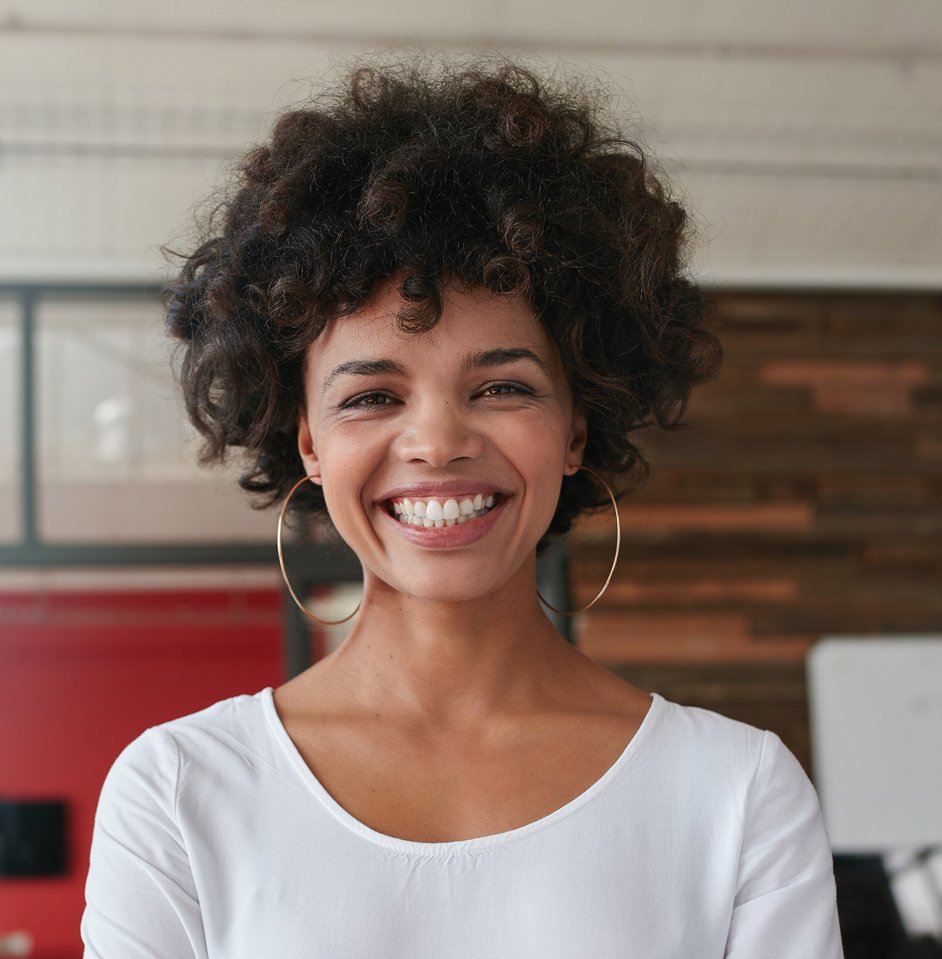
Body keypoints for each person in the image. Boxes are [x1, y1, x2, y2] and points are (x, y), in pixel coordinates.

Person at [81, 58, 844, 957]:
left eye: (502, 386)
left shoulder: (736, 793)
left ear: (574, 427)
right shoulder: (180, 790)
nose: (437, 442)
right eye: (371, 396)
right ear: (309, 442)